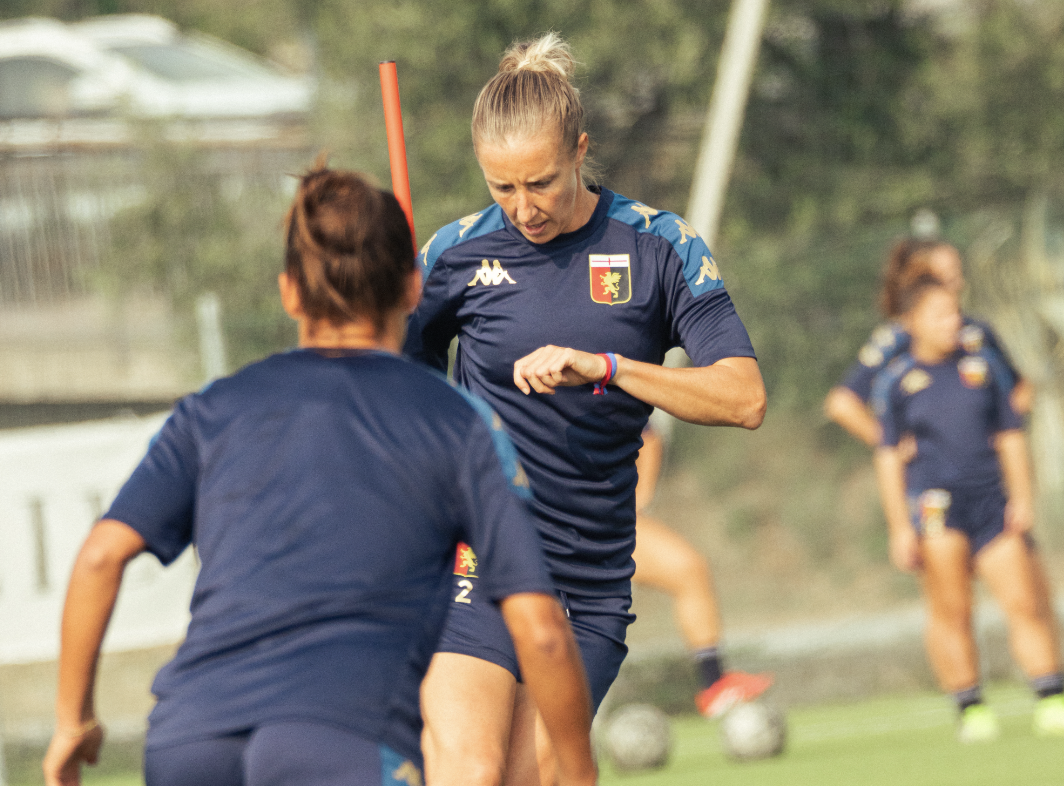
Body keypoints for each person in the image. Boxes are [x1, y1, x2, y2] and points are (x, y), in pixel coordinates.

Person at [41, 163, 598, 786]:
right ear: (413, 288)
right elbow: (541, 630)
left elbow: (100, 558)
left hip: (189, 741)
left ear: (289, 293)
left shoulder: (214, 408)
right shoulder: (457, 423)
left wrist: (73, 721)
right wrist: (579, 771)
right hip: (342, 741)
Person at [404, 33, 766, 786]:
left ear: (580, 150)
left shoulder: (660, 247)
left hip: (587, 581)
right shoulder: (454, 254)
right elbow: (396, 387)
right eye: (502, 187)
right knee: (469, 771)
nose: (522, 208)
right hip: (478, 557)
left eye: (540, 183)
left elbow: (744, 397)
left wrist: (610, 368)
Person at [871, 273, 1064, 742]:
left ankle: (1051, 699)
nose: (953, 321)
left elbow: (1011, 436)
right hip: (937, 509)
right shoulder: (896, 381)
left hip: (992, 504)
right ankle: (971, 708)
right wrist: (899, 527)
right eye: (940, 314)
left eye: (955, 311)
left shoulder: (984, 367)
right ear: (912, 321)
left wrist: (1022, 498)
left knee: (1024, 602)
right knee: (954, 610)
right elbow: (888, 459)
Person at [824, 237, 1033, 445]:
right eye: (949, 275)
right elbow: (842, 404)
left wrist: (996, 433)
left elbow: (1021, 388)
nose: (960, 283)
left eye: (958, 273)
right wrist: (895, 446)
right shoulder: (895, 340)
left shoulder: (975, 332)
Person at [632, 421, 772, 717]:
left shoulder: (611, 392)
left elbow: (649, 437)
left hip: (606, 520)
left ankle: (714, 682)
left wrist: (640, 496)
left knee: (688, 570)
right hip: (549, 521)